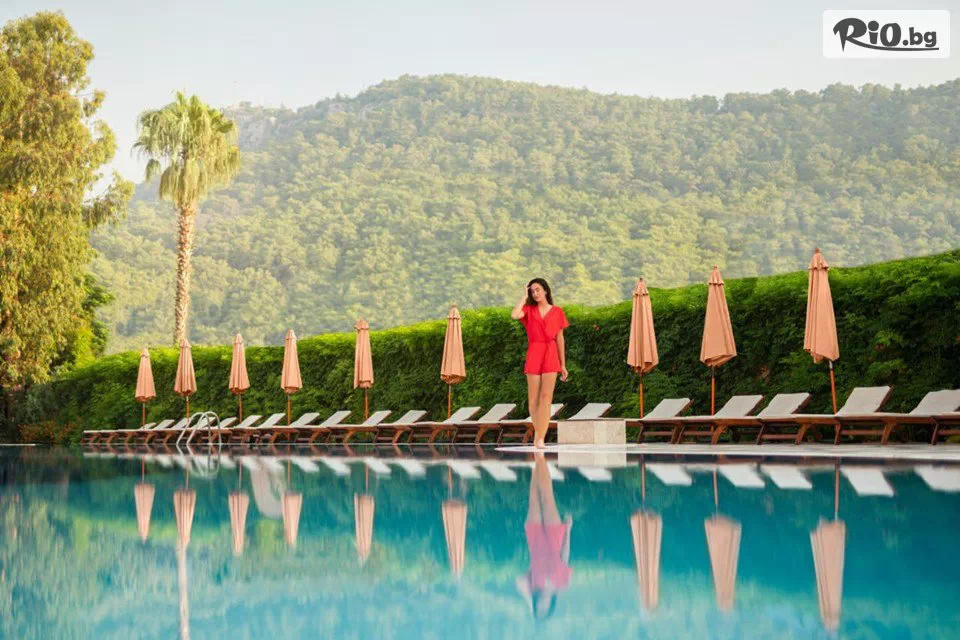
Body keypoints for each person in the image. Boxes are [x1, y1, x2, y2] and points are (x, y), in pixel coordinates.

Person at [511, 278, 569, 449]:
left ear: (545, 290)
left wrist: (563, 364)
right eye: (532, 291)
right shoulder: (528, 310)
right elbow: (514, 315)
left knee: (546, 398)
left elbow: (560, 339)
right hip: (534, 351)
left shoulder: (557, 311)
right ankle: (539, 433)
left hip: (551, 352)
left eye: (538, 290)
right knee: (533, 399)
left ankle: (540, 438)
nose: (535, 293)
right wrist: (524, 296)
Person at [516, 452, 573, 620]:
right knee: (547, 496)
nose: (541, 606)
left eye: (538, 609)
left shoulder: (531, 587)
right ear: (550, 607)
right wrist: (568, 531)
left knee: (534, 496)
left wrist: (529, 603)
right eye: (544, 610)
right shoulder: (561, 585)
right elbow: (564, 557)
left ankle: (538, 456)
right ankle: (540, 456)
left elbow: (519, 580)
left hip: (535, 540)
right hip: (555, 538)